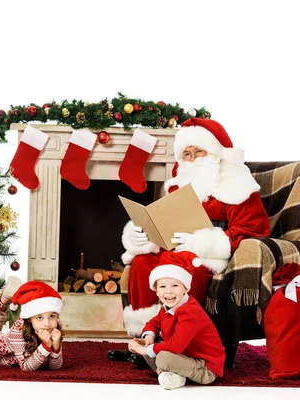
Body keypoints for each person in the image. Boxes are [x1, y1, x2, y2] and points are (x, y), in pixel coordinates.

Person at [110, 117, 270, 363]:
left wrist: (202, 242)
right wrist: (142, 236)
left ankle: (177, 344)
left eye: (199, 151)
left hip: (208, 258)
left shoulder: (236, 185)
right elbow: (166, 226)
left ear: (215, 153)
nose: (193, 158)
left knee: (180, 272)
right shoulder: (179, 185)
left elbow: (253, 228)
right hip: (173, 251)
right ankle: (146, 341)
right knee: (143, 264)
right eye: (187, 153)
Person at [127, 251, 225, 390]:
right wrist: (148, 337)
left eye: (175, 286)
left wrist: (144, 350)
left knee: (161, 357)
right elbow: (153, 323)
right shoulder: (167, 307)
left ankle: (167, 372)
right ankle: (170, 374)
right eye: (162, 287)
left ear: (185, 288)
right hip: (185, 356)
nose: (168, 292)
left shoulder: (190, 311)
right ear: (156, 290)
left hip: (206, 367)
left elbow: (176, 346)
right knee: (153, 350)